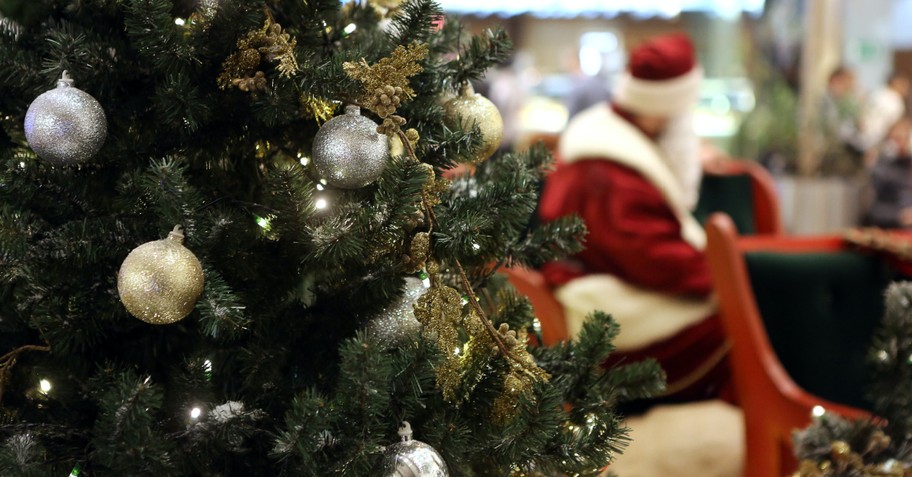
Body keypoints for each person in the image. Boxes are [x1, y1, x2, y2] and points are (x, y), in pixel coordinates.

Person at [538, 32, 728, 402]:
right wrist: (727, 273)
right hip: (604, 316)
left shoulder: (610, 136)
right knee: (743, 323)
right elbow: (652, 257)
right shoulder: (608, 170)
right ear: (665, 109)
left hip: (604, 286)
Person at [861, 117, 912, 229]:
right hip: (889, 229)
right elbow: (874, 210)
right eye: (893, 139)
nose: (897, 144)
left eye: (901, 138)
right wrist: (898, 216)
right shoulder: (881, 168)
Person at [818, 66, 863, 176]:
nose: (851, 85)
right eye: (849, 81)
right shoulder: (826, 98)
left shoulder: (848, 99)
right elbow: (833, 125)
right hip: (834, 144)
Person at [857, 72, 910, 157]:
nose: (907, 90)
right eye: (904, 85)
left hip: (859, 139)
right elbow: (892, 128)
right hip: (876, 143)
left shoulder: (877, 93)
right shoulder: (896, 102)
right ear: (896, 82)